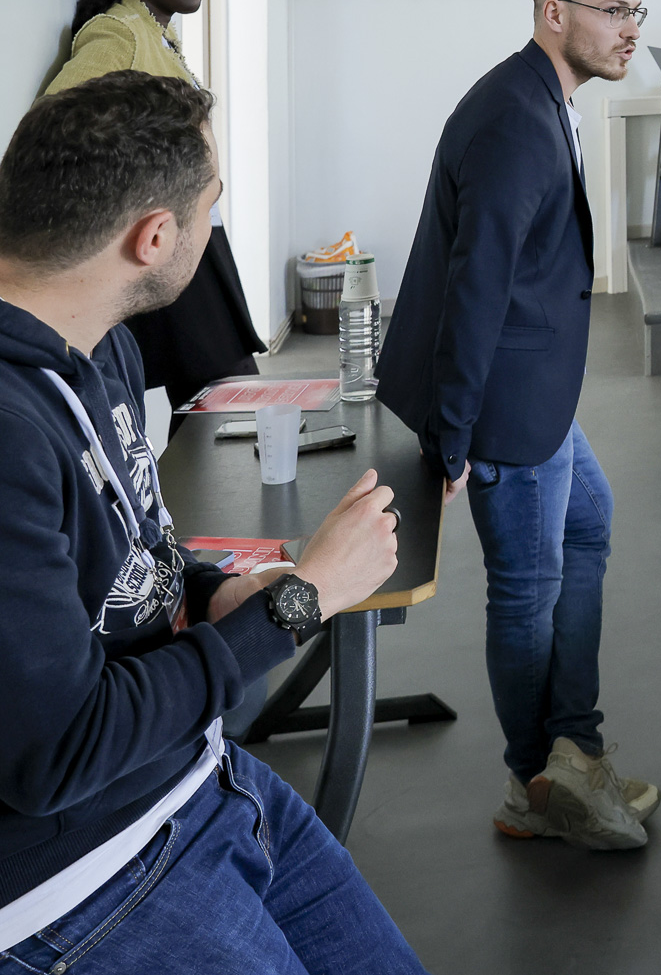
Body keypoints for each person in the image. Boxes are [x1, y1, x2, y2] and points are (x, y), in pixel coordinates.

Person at [0, 73, 423, 971]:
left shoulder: (100, 341)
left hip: (197, 776)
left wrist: (210, 589)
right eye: (211, 205)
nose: (214, 224)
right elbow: (56, 753)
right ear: (154, 237)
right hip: (78, 884)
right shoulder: (8, 430)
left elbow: (125, 555)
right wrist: (296, 605)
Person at [378, 0, 660, 851]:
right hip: (505, 403)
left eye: (635, 10)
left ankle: (574, 749)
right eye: (613, 10)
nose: (629, 28)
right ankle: (535, 783)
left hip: (536, 394)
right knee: (526, 590)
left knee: (589, 524)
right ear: (555, 12)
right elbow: (476, 286)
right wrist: (454, 433)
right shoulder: (514, 117)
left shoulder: (540, 95)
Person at [42, 0, 265, 412]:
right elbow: (59, 121)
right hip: (161, 234)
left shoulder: (158, 34)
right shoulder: (118, 31)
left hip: (193, 232)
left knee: (209, 389)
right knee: (224, 389)